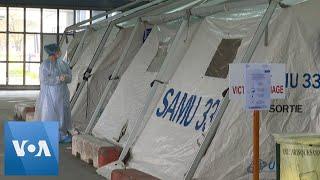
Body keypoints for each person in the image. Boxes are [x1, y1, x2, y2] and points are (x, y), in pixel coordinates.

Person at [35, 43, 72, 143]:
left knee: (62, 114)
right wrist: (58, 79)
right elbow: (44, 80)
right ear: (54, 52)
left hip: (62, 94)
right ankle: (51, 136)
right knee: (50, 115)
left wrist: (65, 78)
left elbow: (70, 77)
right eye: (58, 50)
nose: (60, 52)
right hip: (50, 95)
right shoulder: (45, 65)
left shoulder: (63, 64)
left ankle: (62, 135)